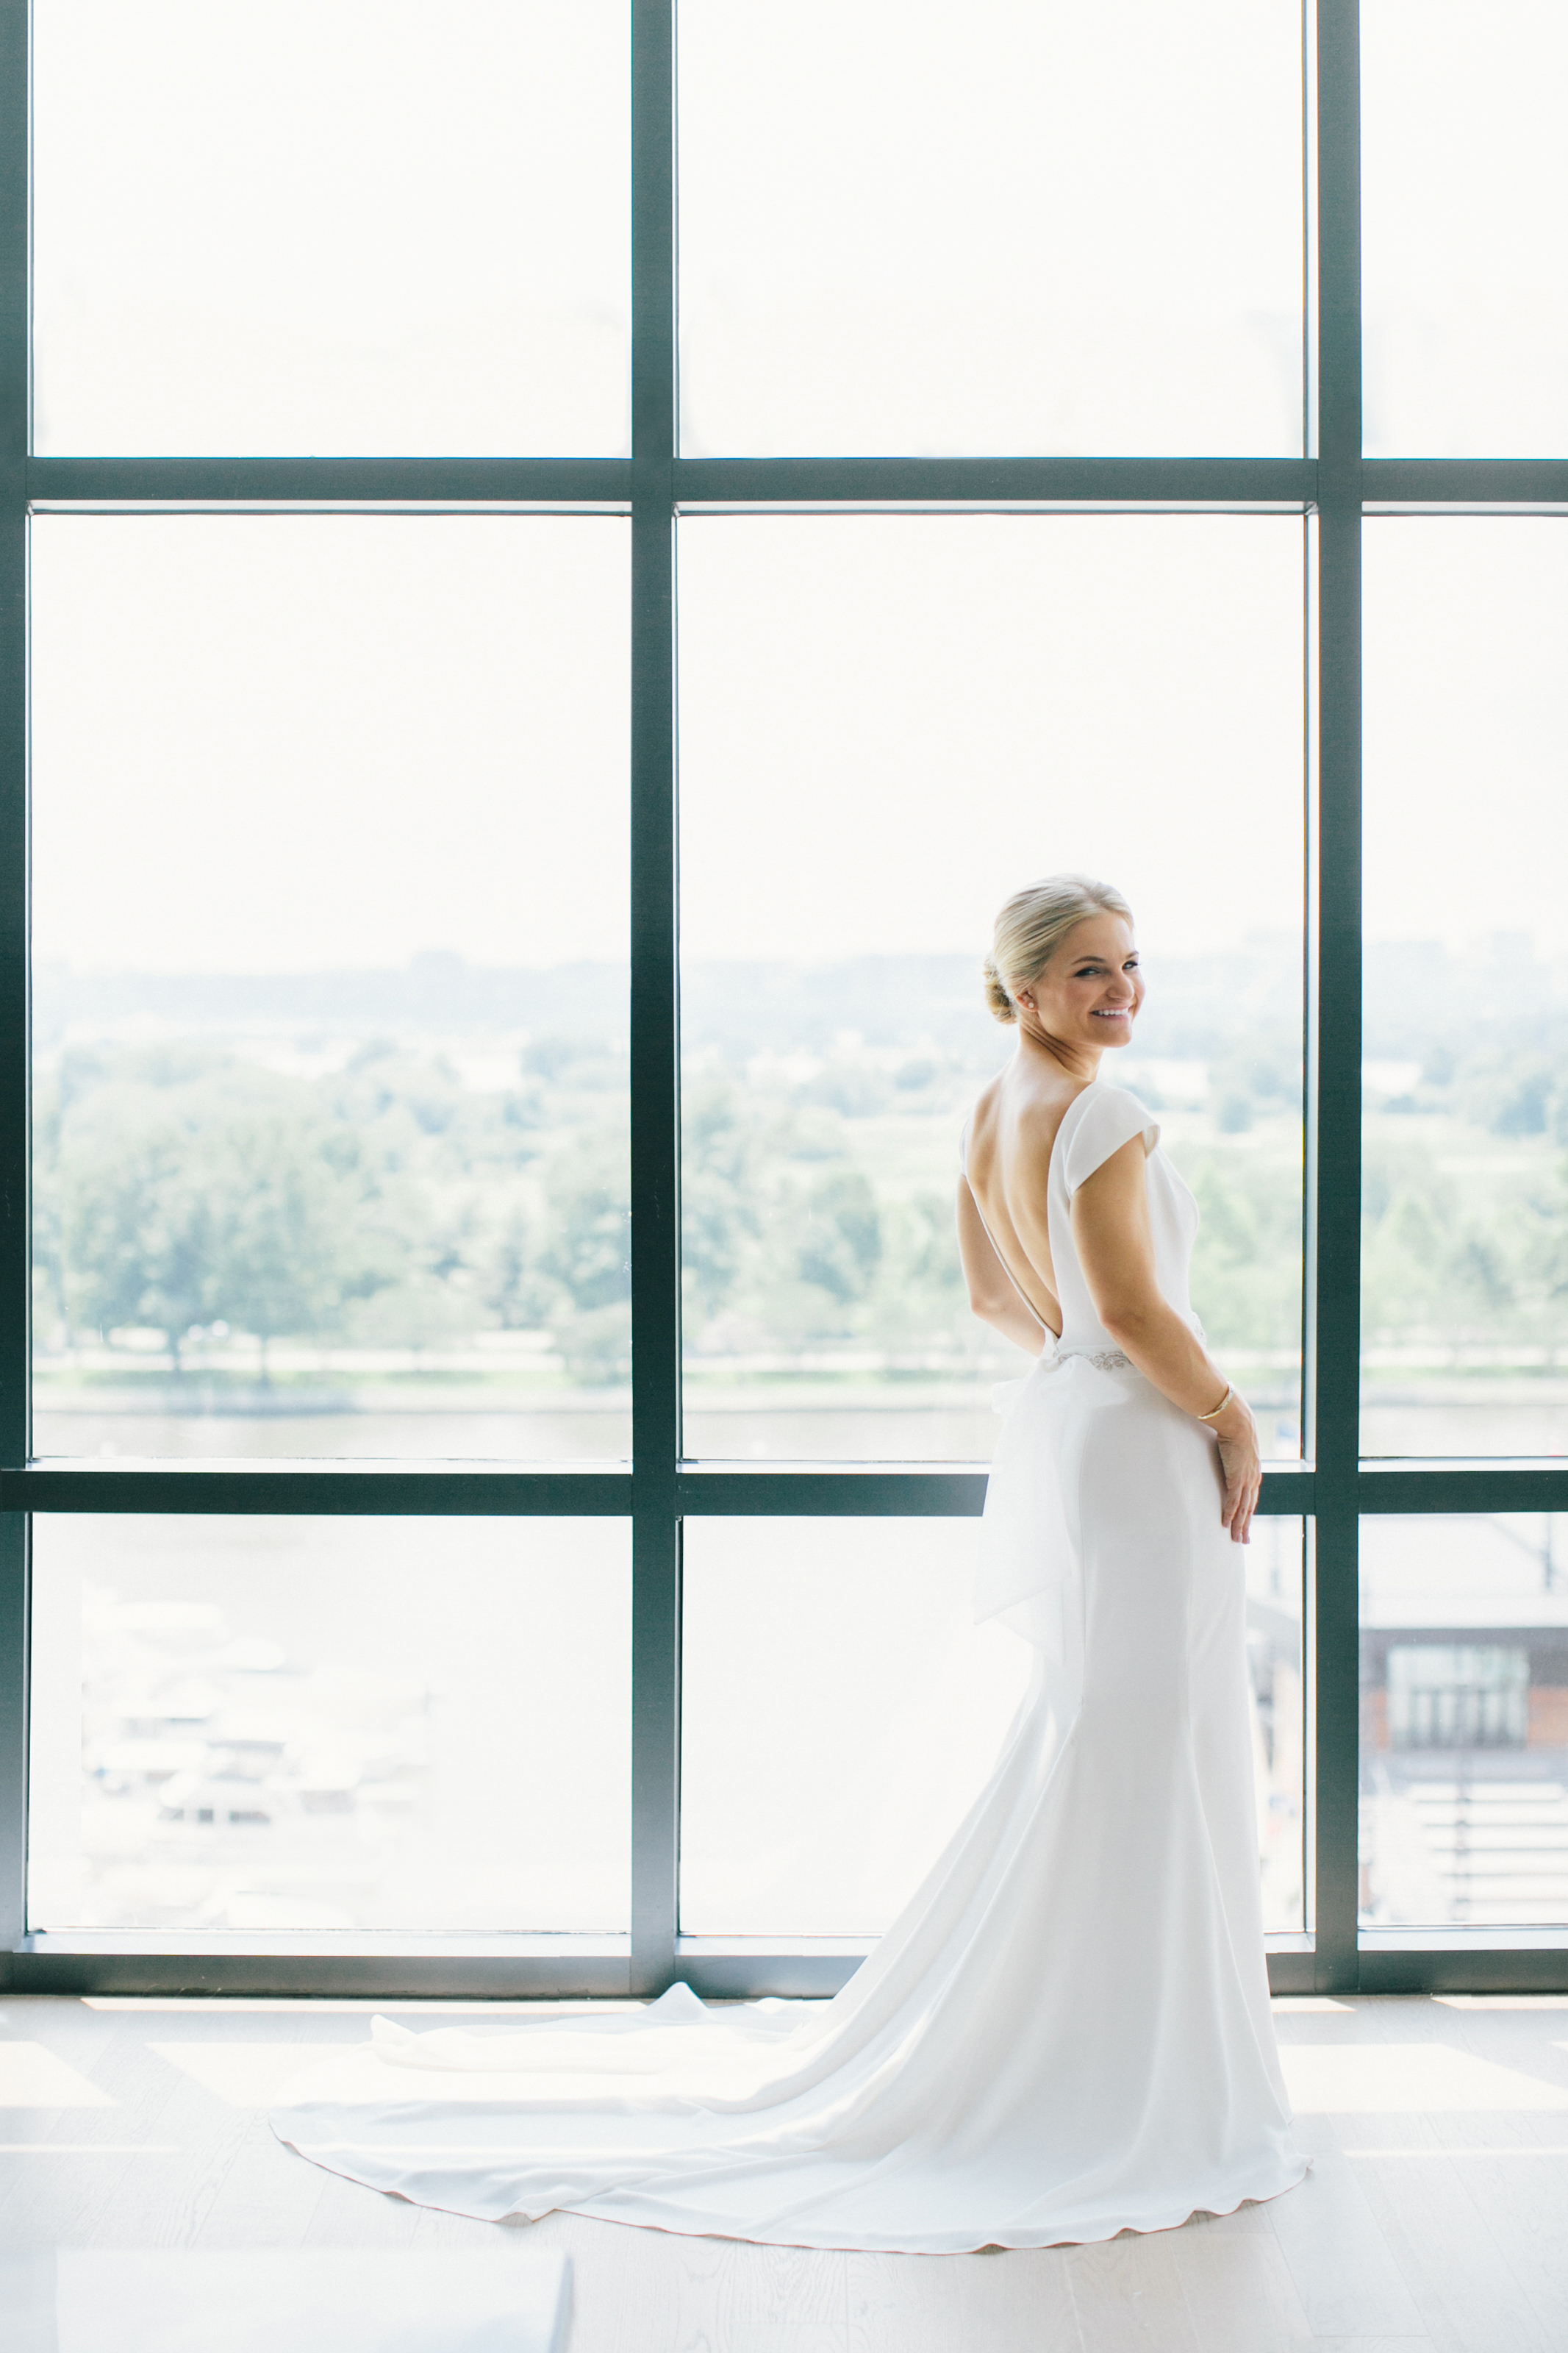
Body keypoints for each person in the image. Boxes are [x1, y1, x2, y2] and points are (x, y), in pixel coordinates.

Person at [271, 873, 1306, 2252]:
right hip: (1136, 1443)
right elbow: (1125, 1302)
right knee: (1145, 1736)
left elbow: (997, 1299)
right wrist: (1224, 1415)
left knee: (1102, 1734)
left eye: (1130, 965)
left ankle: (1080, 2041)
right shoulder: (1101, 1113)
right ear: (1018, 988)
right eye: (1086, 972)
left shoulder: (983, 1110)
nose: (1120, 991)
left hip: (1075, 1429)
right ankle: (1129, 2069)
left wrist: (1079, 1371)